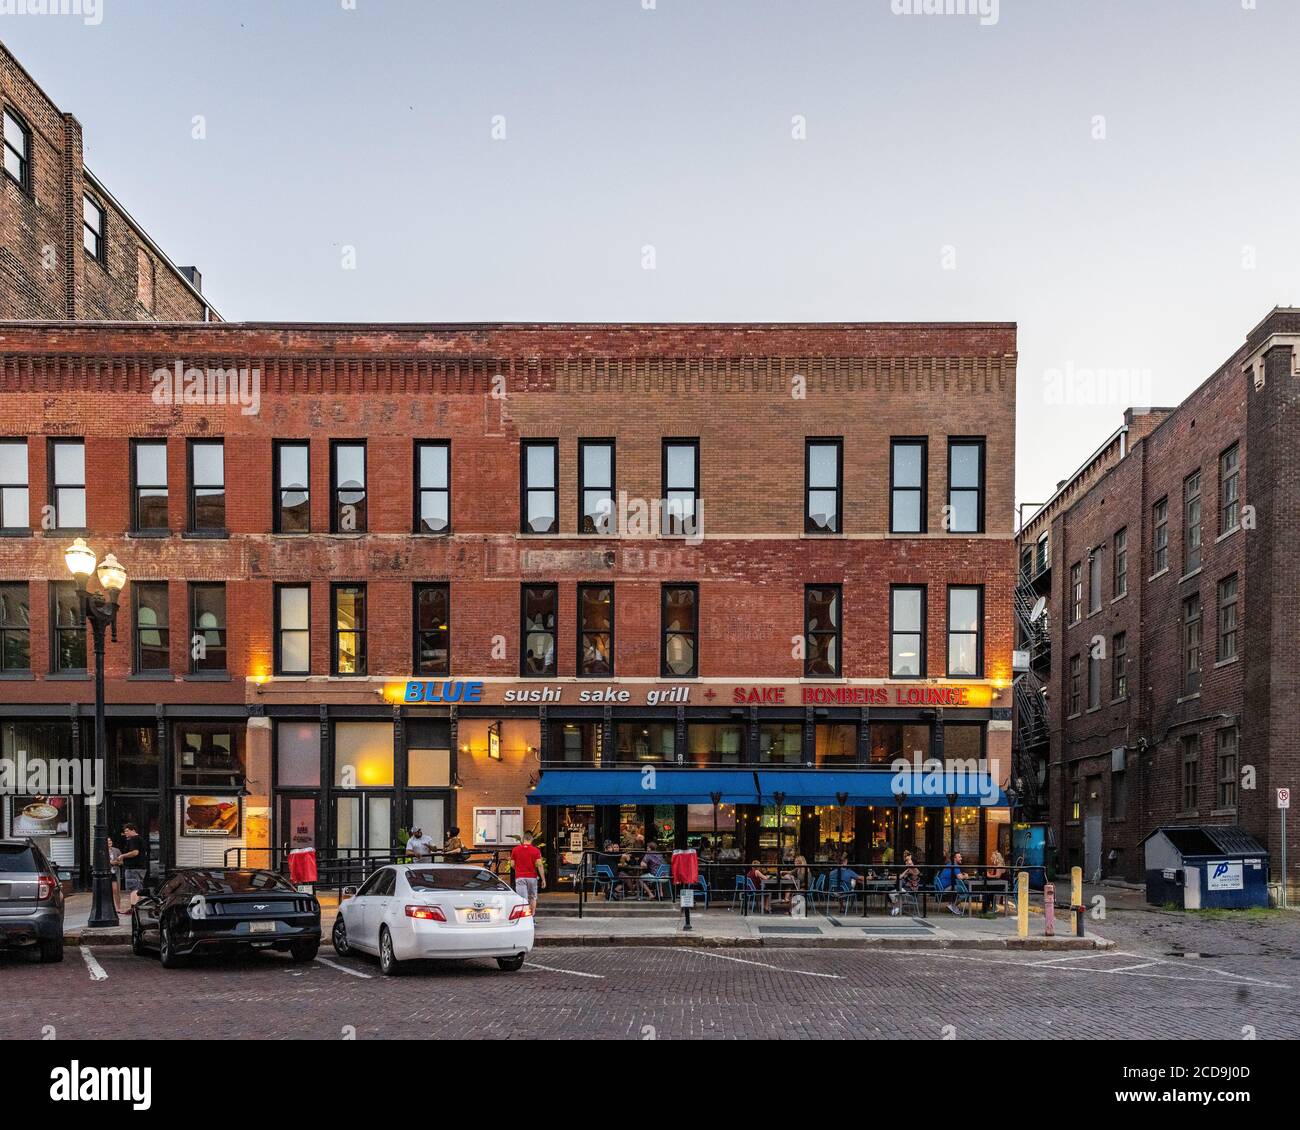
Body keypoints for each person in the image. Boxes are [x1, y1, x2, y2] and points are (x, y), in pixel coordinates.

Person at [510, 830, 545, 914]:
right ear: (532, 839)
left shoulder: (515, 850)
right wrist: (543, 879)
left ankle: (524, 918)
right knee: (532, 898)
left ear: (523, 839)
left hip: (520, 877)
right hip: (532, 877)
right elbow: (540, 865)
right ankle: (531, 918)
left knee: (523, 899)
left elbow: (512, 864)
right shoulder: (536, 850)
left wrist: (519, 869)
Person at [116, 822, 147, 914]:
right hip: (141, 867)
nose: (125, 833)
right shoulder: (140, 839)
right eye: (125, 831)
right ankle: (139, 907)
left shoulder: (134, 839)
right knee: (138, 887)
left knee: (133, 888)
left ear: (133, 830)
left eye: (127, 831)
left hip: (133, 867)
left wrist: (122, 856)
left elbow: (135, 852)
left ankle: (133, 908)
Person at [889, 850, 921, 916]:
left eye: (908, 861)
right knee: (891, 893)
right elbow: (901, 876)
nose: (907, 862)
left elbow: (916, 872)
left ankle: (897, 907)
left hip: (911, 890)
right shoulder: (908, 870)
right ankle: (897, 907)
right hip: (906, 888)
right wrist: (891, 876)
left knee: (893, 893)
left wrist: (910, 862)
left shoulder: (915, 870)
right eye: (906, 861)